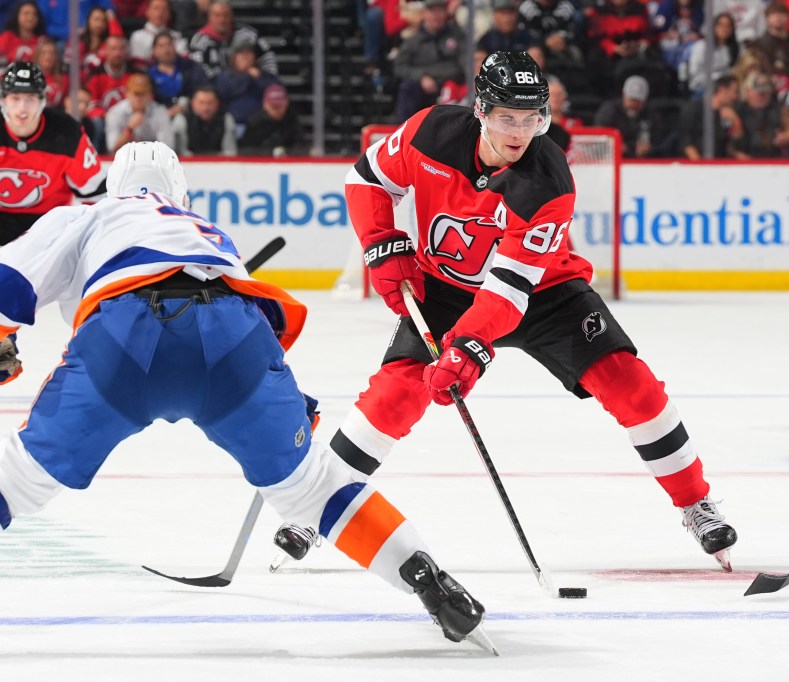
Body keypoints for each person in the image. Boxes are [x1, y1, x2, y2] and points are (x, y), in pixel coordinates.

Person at [0, 140, 495, 654]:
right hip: (235, 341)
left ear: (113, 187)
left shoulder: (89, 215)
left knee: (18, 479)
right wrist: (284, 400)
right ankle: (429, 579)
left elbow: (10, 279)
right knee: (310, 487)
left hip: (124, 338)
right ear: (181, 193)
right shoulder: (205, 231)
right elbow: (254, 322)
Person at [308, 51, 739, 572]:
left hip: (545, 292)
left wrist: (466, 346)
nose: (519, 132)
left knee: (632, 385)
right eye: (507, 118)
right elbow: (366, 179)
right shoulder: (430, 132)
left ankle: (695, 502)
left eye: (531, 118)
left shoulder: (548, 181)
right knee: (395, 394)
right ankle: (316, 506)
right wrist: (381, 243)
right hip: (447, 288)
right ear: (481, 111)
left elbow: (510, 291)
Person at [0, 62, 105, 245]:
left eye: (30, 99)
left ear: (42, 101)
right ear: (3, 100)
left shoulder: (67, 132)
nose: (22, 108)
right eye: (15, 98)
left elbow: (97, 195)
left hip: (49, 230)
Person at [594, 74, 671, 158]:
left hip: (643, 160)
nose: (634, 104)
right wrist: (613, 144)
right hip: (611, 157)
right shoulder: (609, 110)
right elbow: (600, 132)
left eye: (638, 100)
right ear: (624, 95)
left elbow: (660, 140)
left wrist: (650, 147)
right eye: (631, 99)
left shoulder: (652, 115)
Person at [104, 72, 174, 154]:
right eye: (136, 94)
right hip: (125, 157)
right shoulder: (116, 112)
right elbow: (112, 149)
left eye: (143, 94)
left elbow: (167, 147)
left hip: (152, 157)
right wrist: (129, 130)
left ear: (150, 95)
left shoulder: (159, 112)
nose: (139, 98)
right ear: (127, 94)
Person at [238, 83, 303, 157]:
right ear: (265, 105)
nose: (277, 110)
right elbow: (247, 150)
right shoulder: (255, 123)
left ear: (286, 104)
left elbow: (299, 146)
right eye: (274, 106)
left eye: (280, 106)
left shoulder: (291, 121)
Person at [173, 84, 237, 156]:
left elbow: (230, 152)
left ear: (217, 104)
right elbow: (180, 152)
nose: (205, 108)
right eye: (201, 103)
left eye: (210, 103)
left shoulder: (226, 120)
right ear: (193, 104)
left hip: (219, 161)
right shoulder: (181, 120)